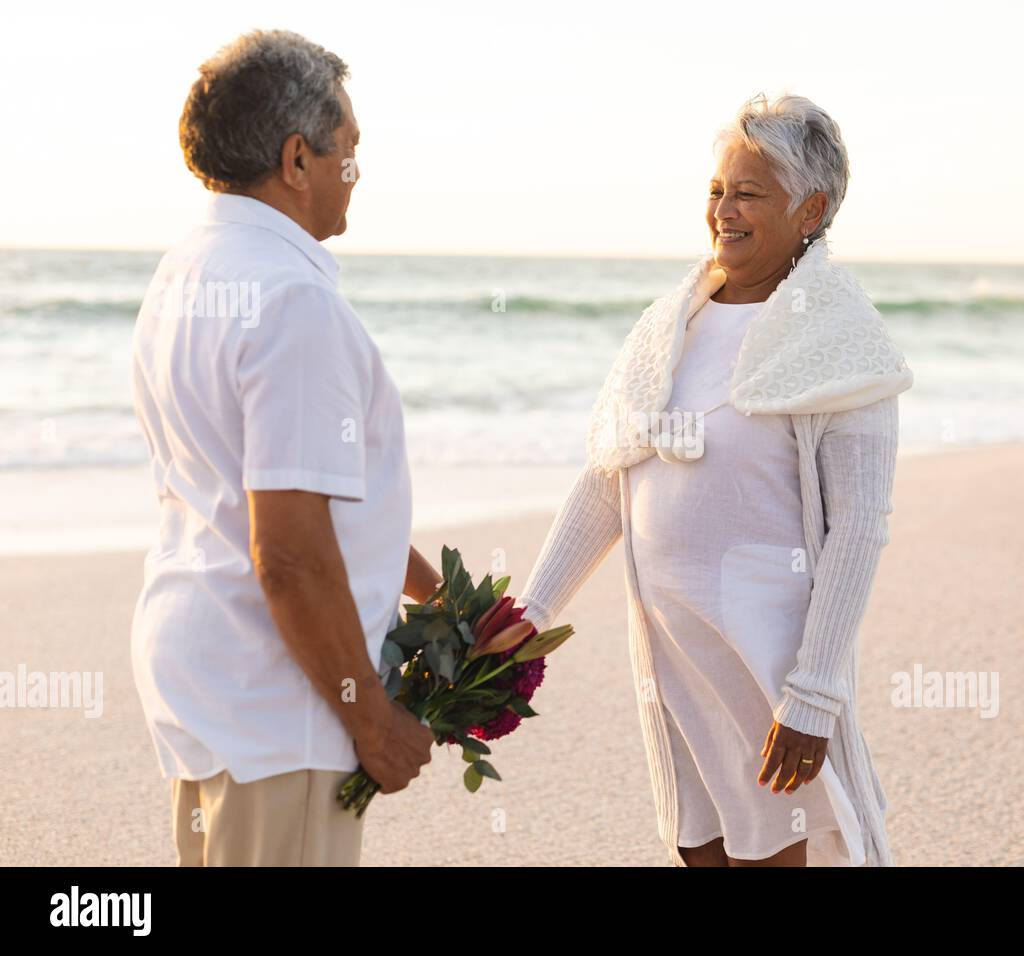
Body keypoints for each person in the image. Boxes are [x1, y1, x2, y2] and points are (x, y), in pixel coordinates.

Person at [518, 93, 912, 867]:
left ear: (812, 208)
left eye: (748, 193)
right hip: (675, 661)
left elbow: (860, 528)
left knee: (786, 851)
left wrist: (815, 693)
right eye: (716, 190)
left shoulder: (842, 340)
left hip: (771, 669)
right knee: (702, 849)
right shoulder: (672, 321)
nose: (723, 210)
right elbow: (609, 476)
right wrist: (532, 613)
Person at [129, 30, 438, 866]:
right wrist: (370, 716)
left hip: (202, 674)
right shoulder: (293, 301)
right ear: (298, 160)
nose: (357, 173)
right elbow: (290, 554)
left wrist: (432, 592)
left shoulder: (186, 271)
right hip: (276, 698)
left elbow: (273, 487)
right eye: (350, 150)